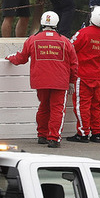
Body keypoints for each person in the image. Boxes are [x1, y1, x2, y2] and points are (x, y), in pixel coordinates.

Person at [6, 11, 78, 148]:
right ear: (56, 23)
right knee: (57, 109)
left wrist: (9, 58)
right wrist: (72, 81)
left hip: (40, 81)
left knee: (44, 107)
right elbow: (74, 65)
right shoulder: (65, 42)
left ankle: (42, 135)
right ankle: (54, 138)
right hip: (60, 82)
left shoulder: (32, 39)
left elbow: (21, 58)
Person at [67, 6, 100, 143]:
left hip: (83, 74)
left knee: (81, 105)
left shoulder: (83, 33)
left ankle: (83, 133)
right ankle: (96, 132)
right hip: (97, 75)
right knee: (95, 105)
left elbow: (70, 47)